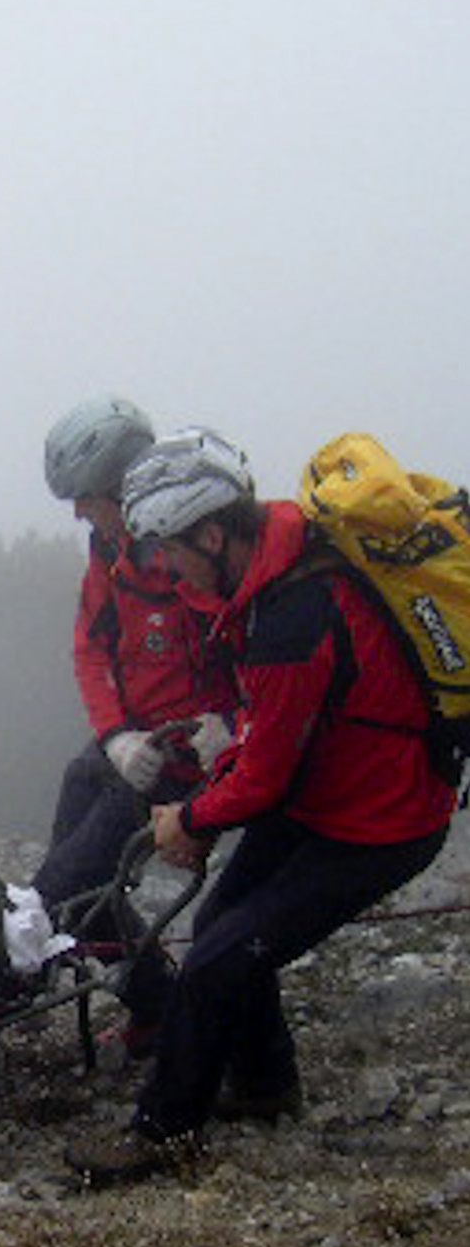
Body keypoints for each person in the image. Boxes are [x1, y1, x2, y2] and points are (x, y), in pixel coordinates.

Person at [66, 428, 456, 1185]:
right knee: (223, 925)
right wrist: (214, 790)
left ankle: (163, 1132)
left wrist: (189, 819)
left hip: (381, 823)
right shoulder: (279, 565)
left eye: (171, 548)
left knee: (216, 959)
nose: (168, 568)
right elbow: (270, 737)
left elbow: (266, 776)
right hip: (331, 795)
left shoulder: (291, 619)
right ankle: (266, 1083)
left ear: (212, 535)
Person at [0, 397, 235, 1104]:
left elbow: (254, 644)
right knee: (72, 887)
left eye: (86, 498)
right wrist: (115, 737)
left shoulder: (198, 552)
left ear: (123, 487)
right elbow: (91, 647)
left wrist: (233, 724)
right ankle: (157, 1007)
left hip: (185, 760)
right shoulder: (112, 550)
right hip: (129, 749)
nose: (79, 513)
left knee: (54, 896)